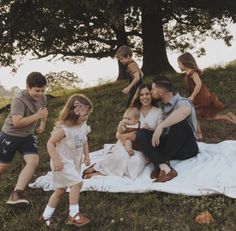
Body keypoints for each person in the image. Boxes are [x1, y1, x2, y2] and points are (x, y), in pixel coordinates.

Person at [82, 84, 163, 180]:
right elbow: (118, 134)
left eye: (147, 94)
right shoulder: (132, 110)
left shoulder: (158, 111)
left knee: (135, 162)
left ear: (152, 95)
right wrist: (130, 136)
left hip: (143, 147)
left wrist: (145, 133)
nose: (144, 97)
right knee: (121, 156)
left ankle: (108, 173)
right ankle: (99, 170)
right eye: (141, 95)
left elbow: (158, 134)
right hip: (125, 142)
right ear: (138, 96)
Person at [39, 94, 92, 229]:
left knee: (60, 190)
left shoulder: (82, 126)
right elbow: (50, 143)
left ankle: (45, 216)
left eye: (87, 114)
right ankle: (73, 215)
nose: (85, 117)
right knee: (77, 183)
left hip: (74, 162)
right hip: (61, 162)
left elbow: (84, 141)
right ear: (73, 114)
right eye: (82, 115)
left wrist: (86, 156)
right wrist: (56, 160)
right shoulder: (64, 129)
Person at [136, 76, 199, 183]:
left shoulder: (181, 101)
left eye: (153, 89)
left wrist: (161, 126)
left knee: (179, 122)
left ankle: (161, 160)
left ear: (161, 92)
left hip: (187, 148)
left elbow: (184, 111)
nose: (151, 92)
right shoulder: (164, 107)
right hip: (171, 147)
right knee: (142, 133)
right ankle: (164, 166)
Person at [0, 72, 48, 205]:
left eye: (42, 90)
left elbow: (44, 112)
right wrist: (37, 116)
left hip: (27, 136)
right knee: (3, 166)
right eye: (37, 90)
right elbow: (17, 123)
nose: (40, 94)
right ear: (28, 87)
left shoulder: (42, 98)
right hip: (10, 135)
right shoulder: (18, 100)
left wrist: (42, 124)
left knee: (33, 161)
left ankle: (17, 193)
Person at [177, 52, 236, 140]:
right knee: (208, 116)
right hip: (199, 97)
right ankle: (227, 116)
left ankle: (199, 134)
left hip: (201, 97)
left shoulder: (193, 73)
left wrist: (192, 96)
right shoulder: (188, 73)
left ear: (184, 63)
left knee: (195, 114)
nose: (178, 66)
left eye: (179, 64)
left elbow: (199, 84)